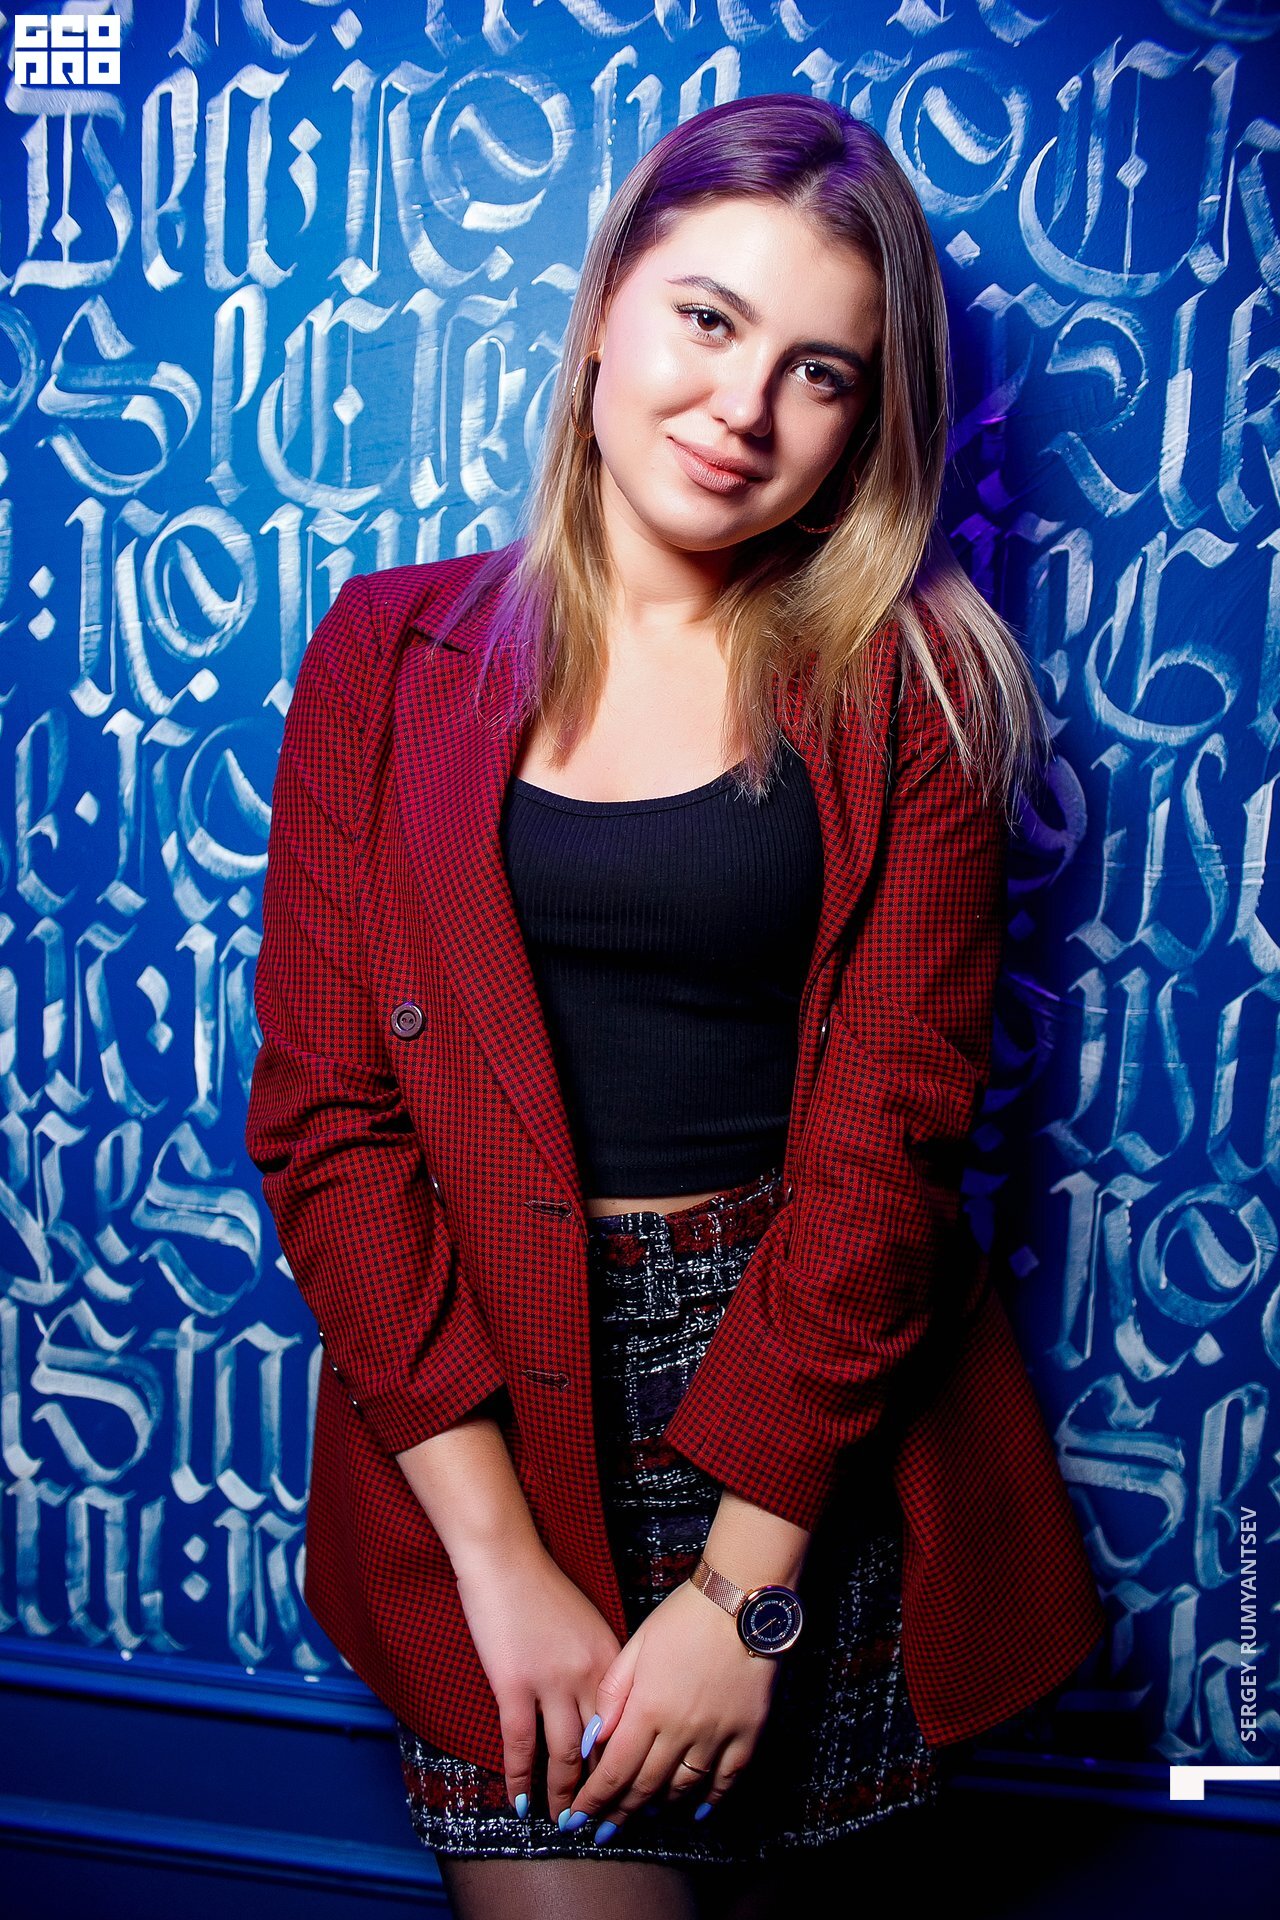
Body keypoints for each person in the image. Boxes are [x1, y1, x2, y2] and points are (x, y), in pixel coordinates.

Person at [245, 93, 1104, 1920]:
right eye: (709, 320)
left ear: (868, 423)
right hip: (481, 1400)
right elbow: (325, 1120)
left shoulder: (918, 684)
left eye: (821, 373)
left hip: (814, 1413)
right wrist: (493, 1554)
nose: (742, 409)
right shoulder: (383, 656)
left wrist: (742, 1595)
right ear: (605, 316)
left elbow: (890, 1155)